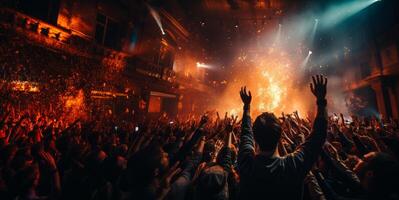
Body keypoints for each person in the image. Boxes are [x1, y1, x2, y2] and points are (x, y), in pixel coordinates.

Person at [238, 75, 328, 200]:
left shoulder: (246, 164)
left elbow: (246, 134)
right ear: (281, 136)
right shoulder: (293, 165)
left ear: (255, 139)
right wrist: (321, 101)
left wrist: (246, 107)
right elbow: (318, 136)